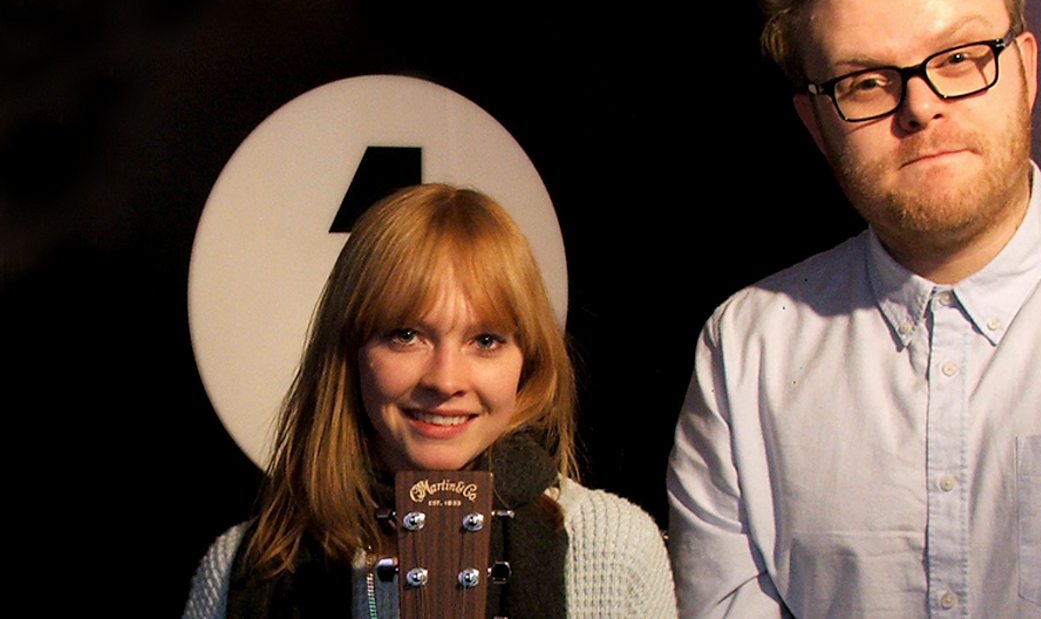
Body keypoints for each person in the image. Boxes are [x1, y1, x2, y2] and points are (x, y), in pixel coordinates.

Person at [667, 0, 1041, 616]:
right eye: (865, 81)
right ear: (816, 124)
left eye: (959, 58)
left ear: (1026, 69)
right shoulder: (745, 350)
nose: (920, 106)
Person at [184, 184, 676, 618]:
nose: (445, 380)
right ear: (352, 351)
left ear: (528, 360)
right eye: (406, 335)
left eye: (485, 340)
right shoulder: (240, 569)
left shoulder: (615, 549)